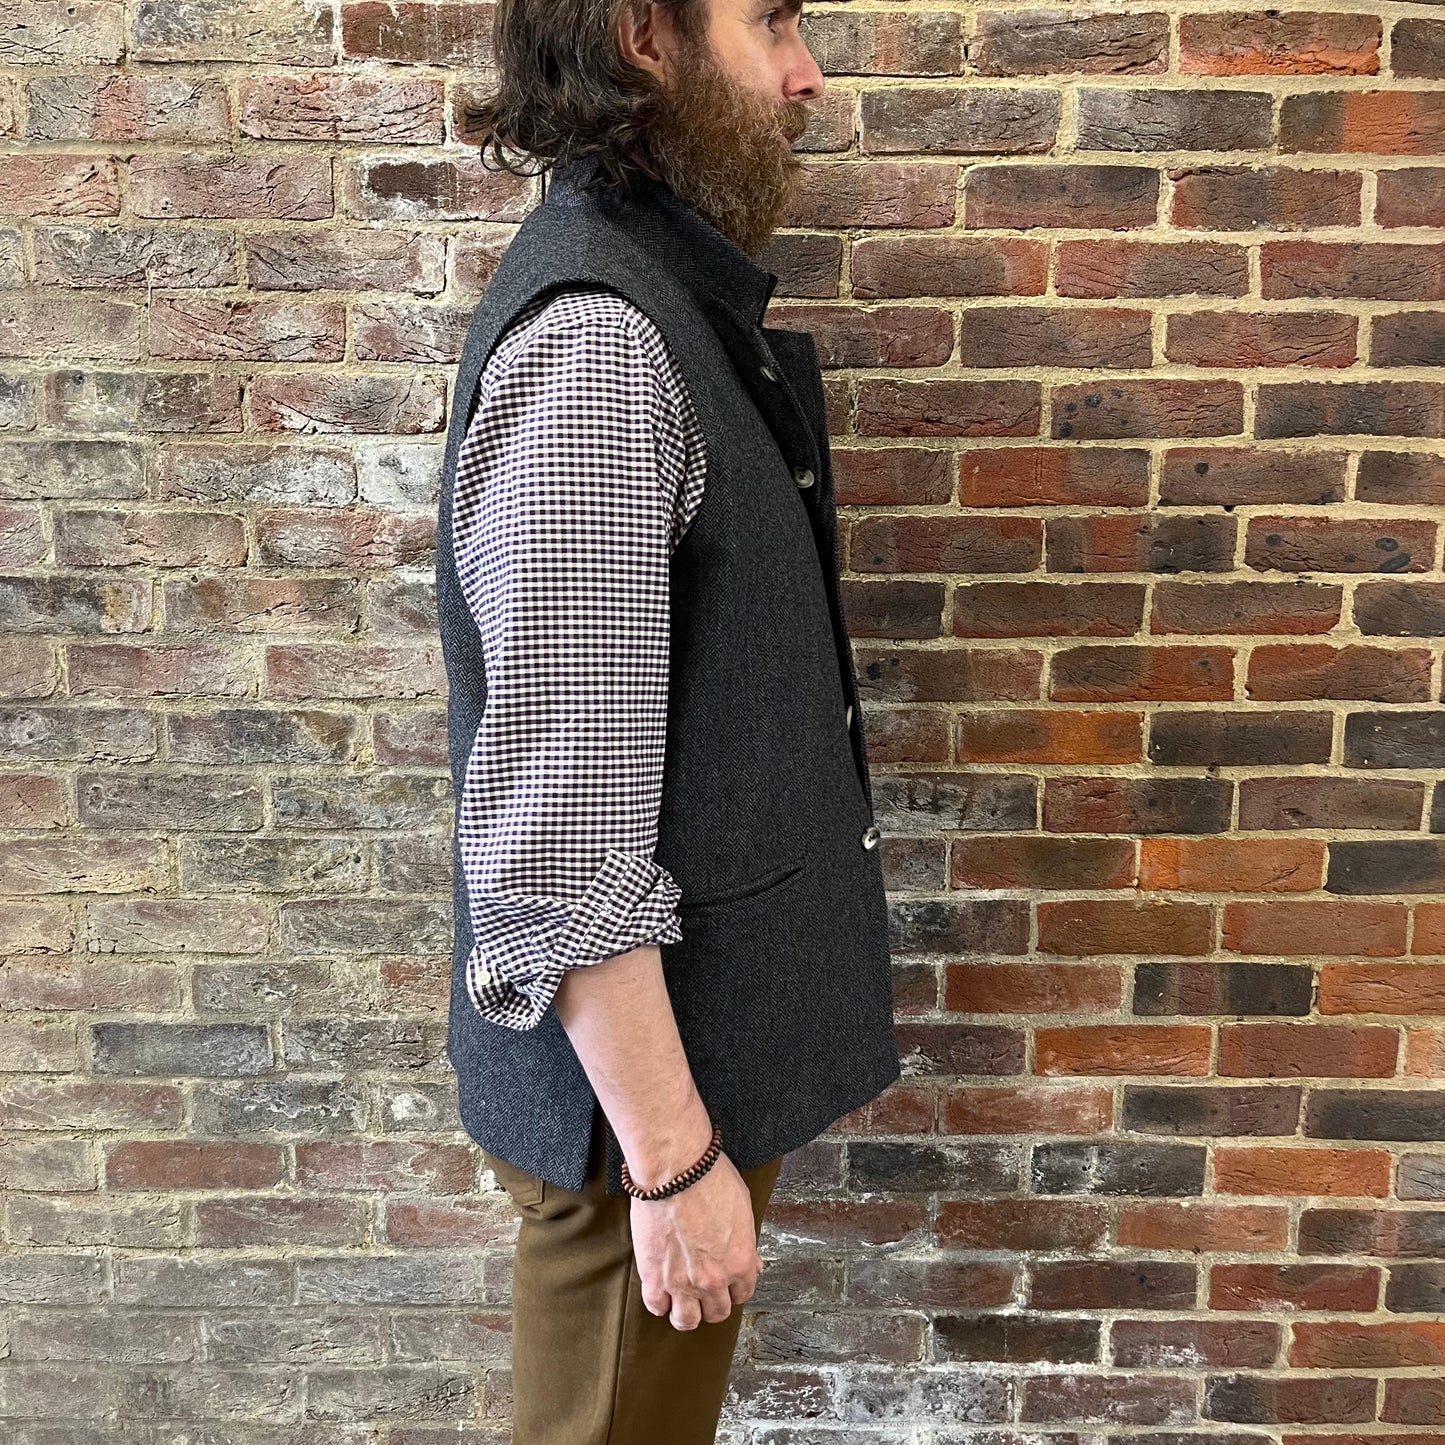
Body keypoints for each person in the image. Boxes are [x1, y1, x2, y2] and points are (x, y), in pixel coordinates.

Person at [433, 0, 902, 1438]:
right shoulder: (600, 344)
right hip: (630, 1121)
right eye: (770, 22)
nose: (807, 70)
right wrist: (672, 1167)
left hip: (657, 1089)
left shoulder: (655, 296)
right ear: (645, 37)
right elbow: (556, 855)